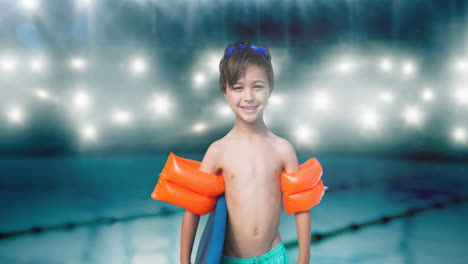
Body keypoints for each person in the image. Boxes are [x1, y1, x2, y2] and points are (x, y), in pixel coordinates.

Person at [179, 41, 319, 264]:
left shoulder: (282, 149)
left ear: (270, 89)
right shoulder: (218, 151)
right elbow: (193, 208)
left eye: (257, 86)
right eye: (238, 88)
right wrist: (184, 261)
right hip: (229, 259)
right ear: (225, 91)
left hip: (273, 257)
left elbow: (301, 206)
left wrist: (304, 259)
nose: (249, 97)